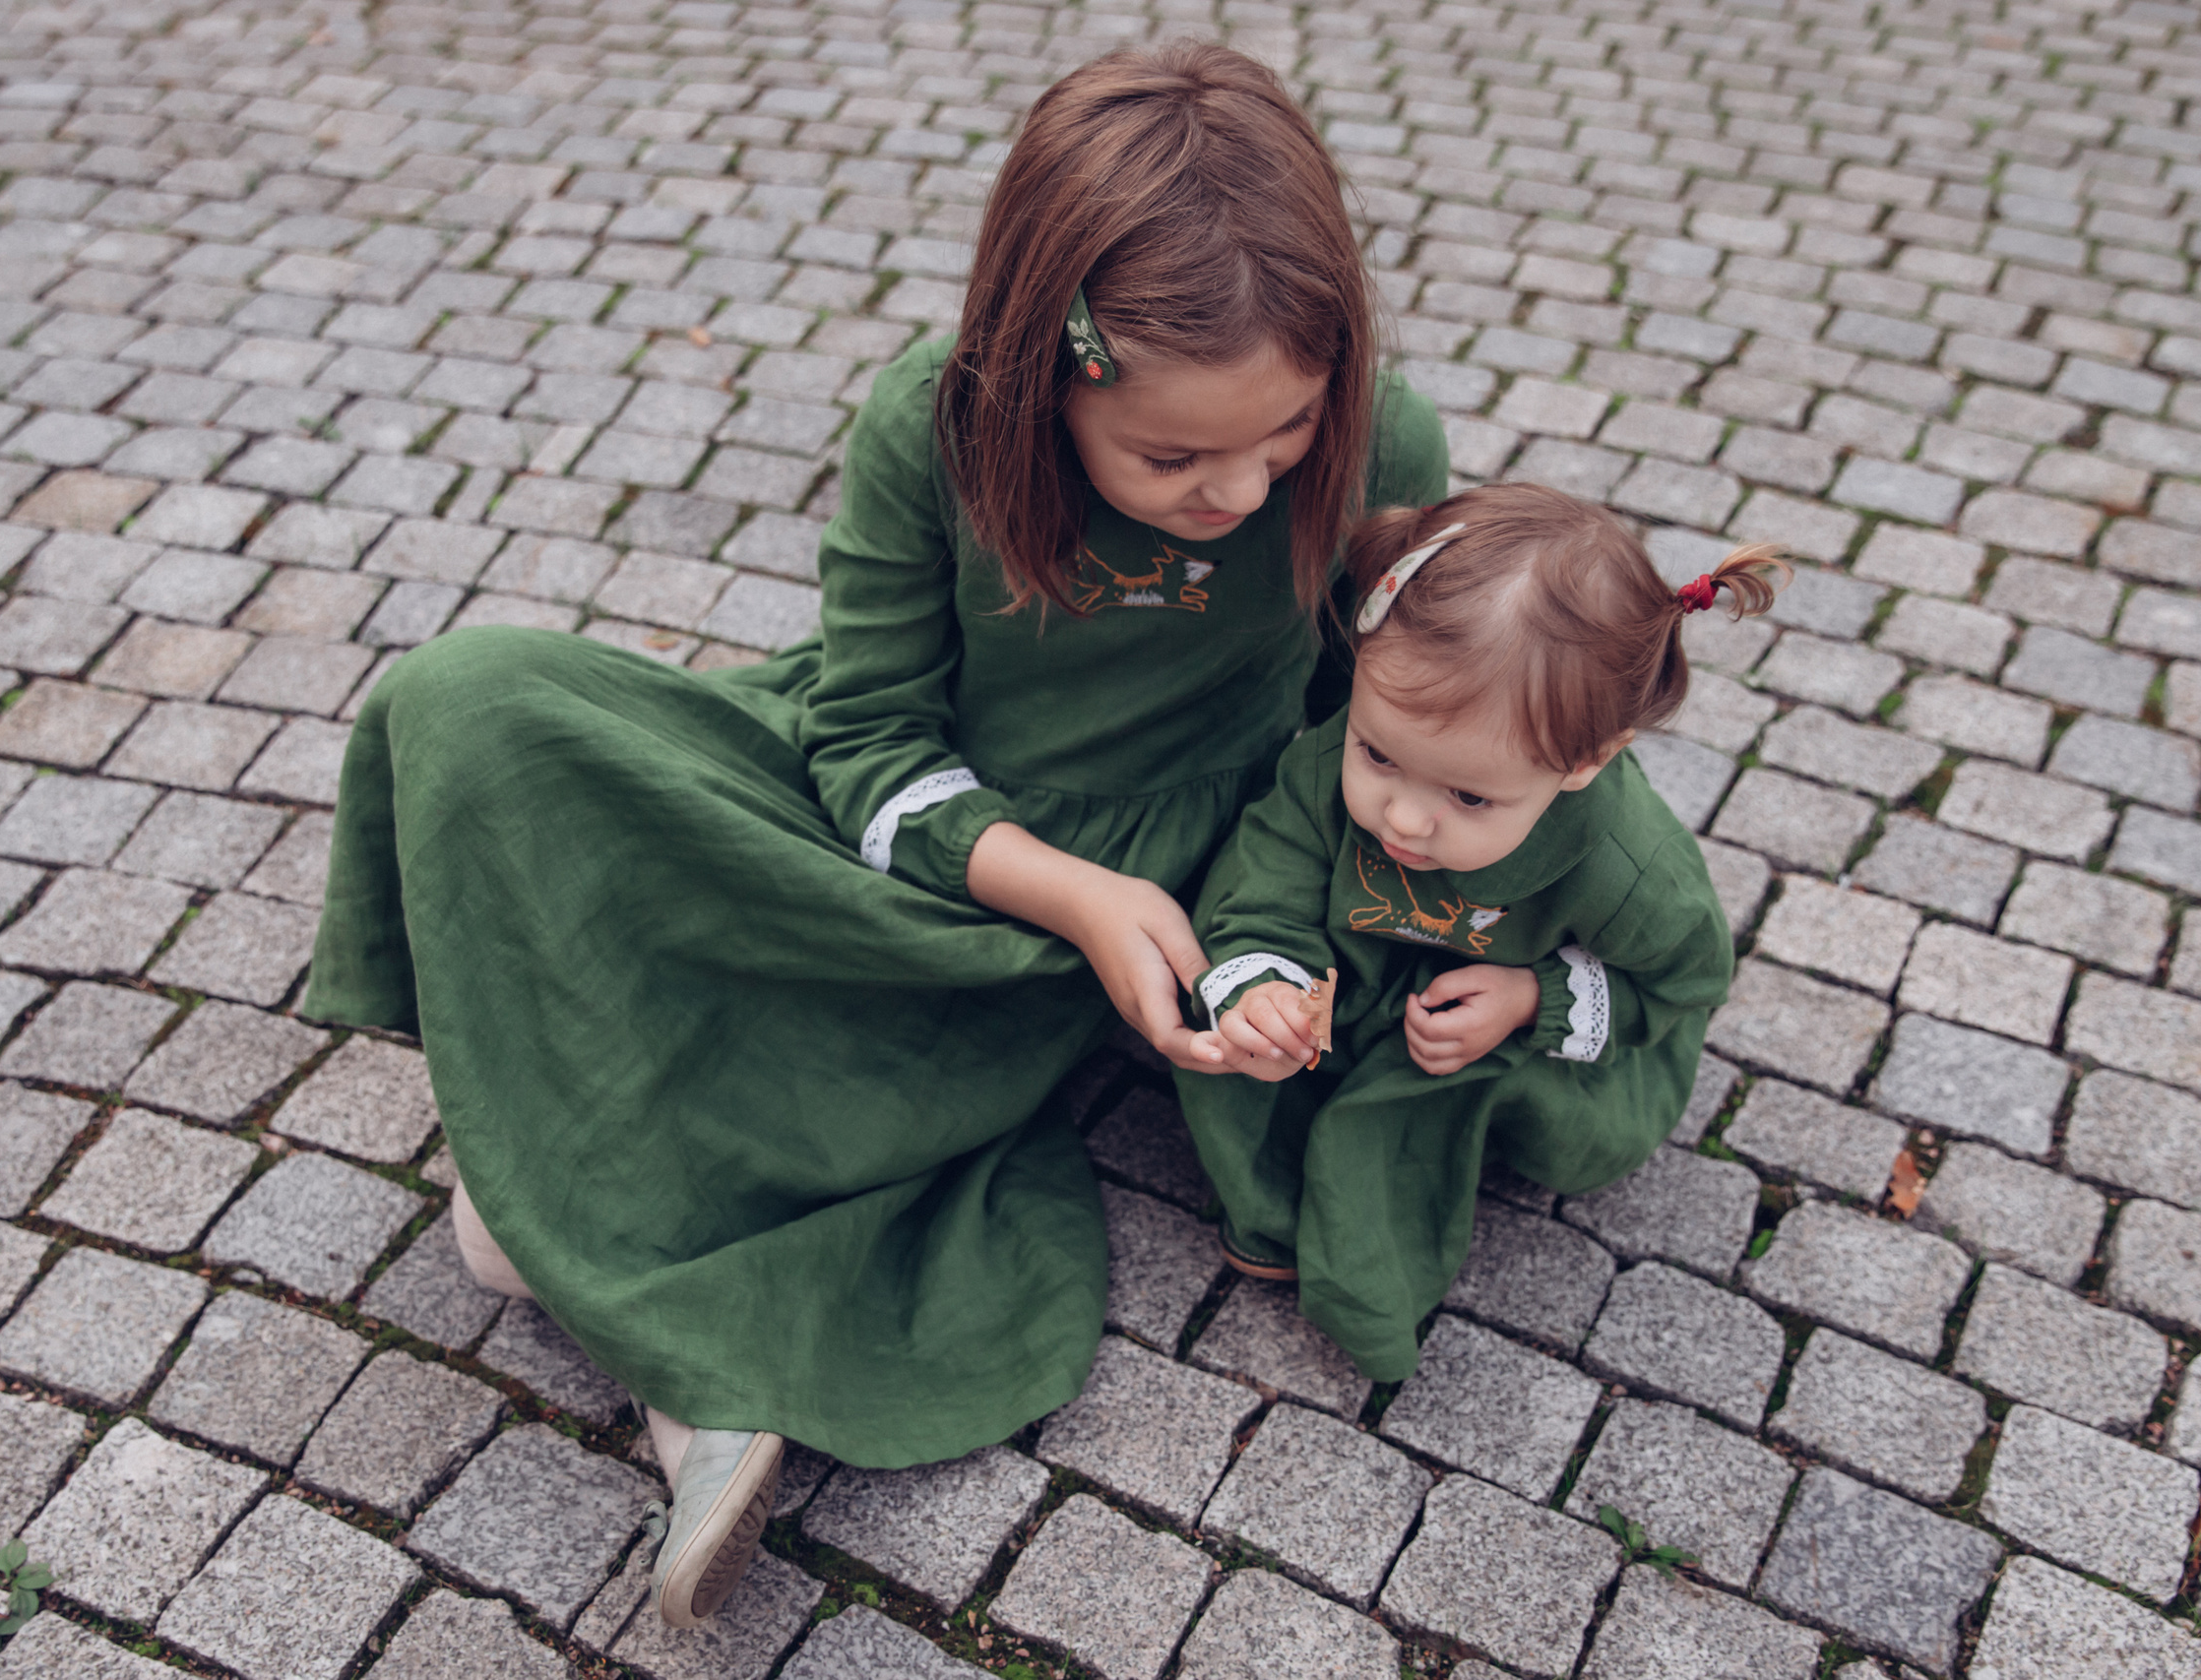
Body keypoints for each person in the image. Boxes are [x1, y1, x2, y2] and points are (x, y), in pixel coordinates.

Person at [303, 39, 1447, 1626]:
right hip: (933, 825)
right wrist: (1077, 892)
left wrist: (1272, 938)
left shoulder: (1384, 448)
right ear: (1048, 367)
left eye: (1283, 436)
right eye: (1173, 456)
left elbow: (1382, 733)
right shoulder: (938, 420)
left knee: (653, 1154)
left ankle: (690, 1373)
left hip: (1112, 906)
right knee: (472, 696)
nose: (1240, 492)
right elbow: (868, 739)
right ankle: (623, 1253)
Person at [1174, 482, 1783, 1381]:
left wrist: (1533, 998)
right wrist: (1267, 984)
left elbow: (1683, 980)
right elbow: (1260, 885)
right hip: (1362, 983)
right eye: (1377, 754)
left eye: (1466, 796)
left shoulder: (1627, 865)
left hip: (1505, 1015)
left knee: (1436, 1089)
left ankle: (1381, 1233)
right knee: (1232, 1037)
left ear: (1585, 761)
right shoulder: (1325, 768)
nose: (1406, 820)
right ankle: (1271, 1208)